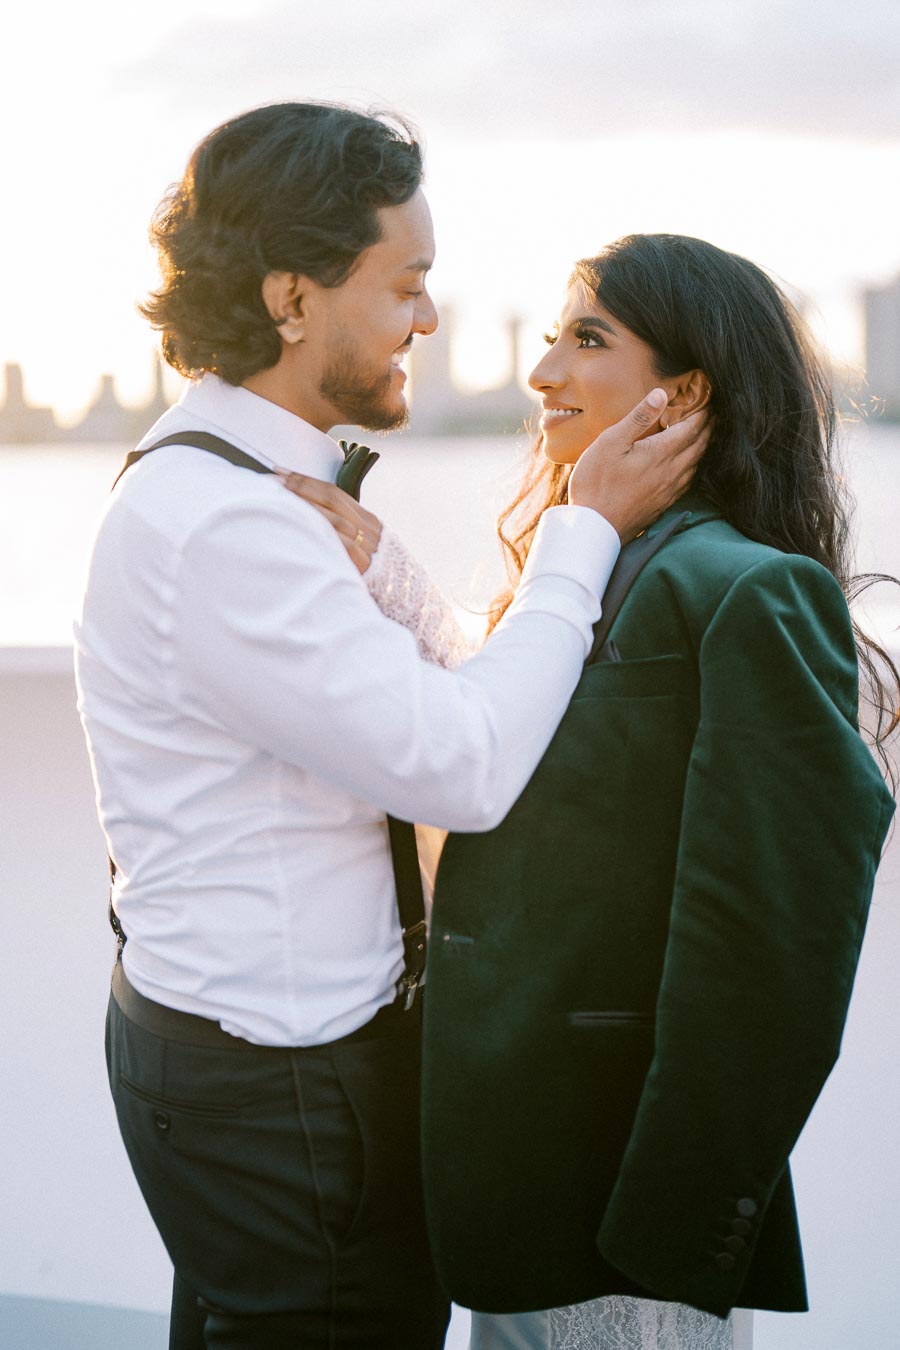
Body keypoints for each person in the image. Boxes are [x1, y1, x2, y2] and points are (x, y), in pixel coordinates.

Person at [74, 105, 705, 1350]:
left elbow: (425, 700)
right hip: (282, 1096)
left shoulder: (226, 491)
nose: (427, 317)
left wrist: (395, 582)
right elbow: (463, 762)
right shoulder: (230, 527)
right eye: (406, 284)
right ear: (293, 299)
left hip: (220, 1053)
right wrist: (582, 529)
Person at [291, 232, 898, 1349]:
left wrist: (669, 1230)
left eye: (587, 337)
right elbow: (506, 756)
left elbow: (771, 954)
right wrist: (391, 577)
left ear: (684, 391)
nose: (543, 372)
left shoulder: (748, 592)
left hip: (620, 1209)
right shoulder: (596, 565)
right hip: (513, 1181)